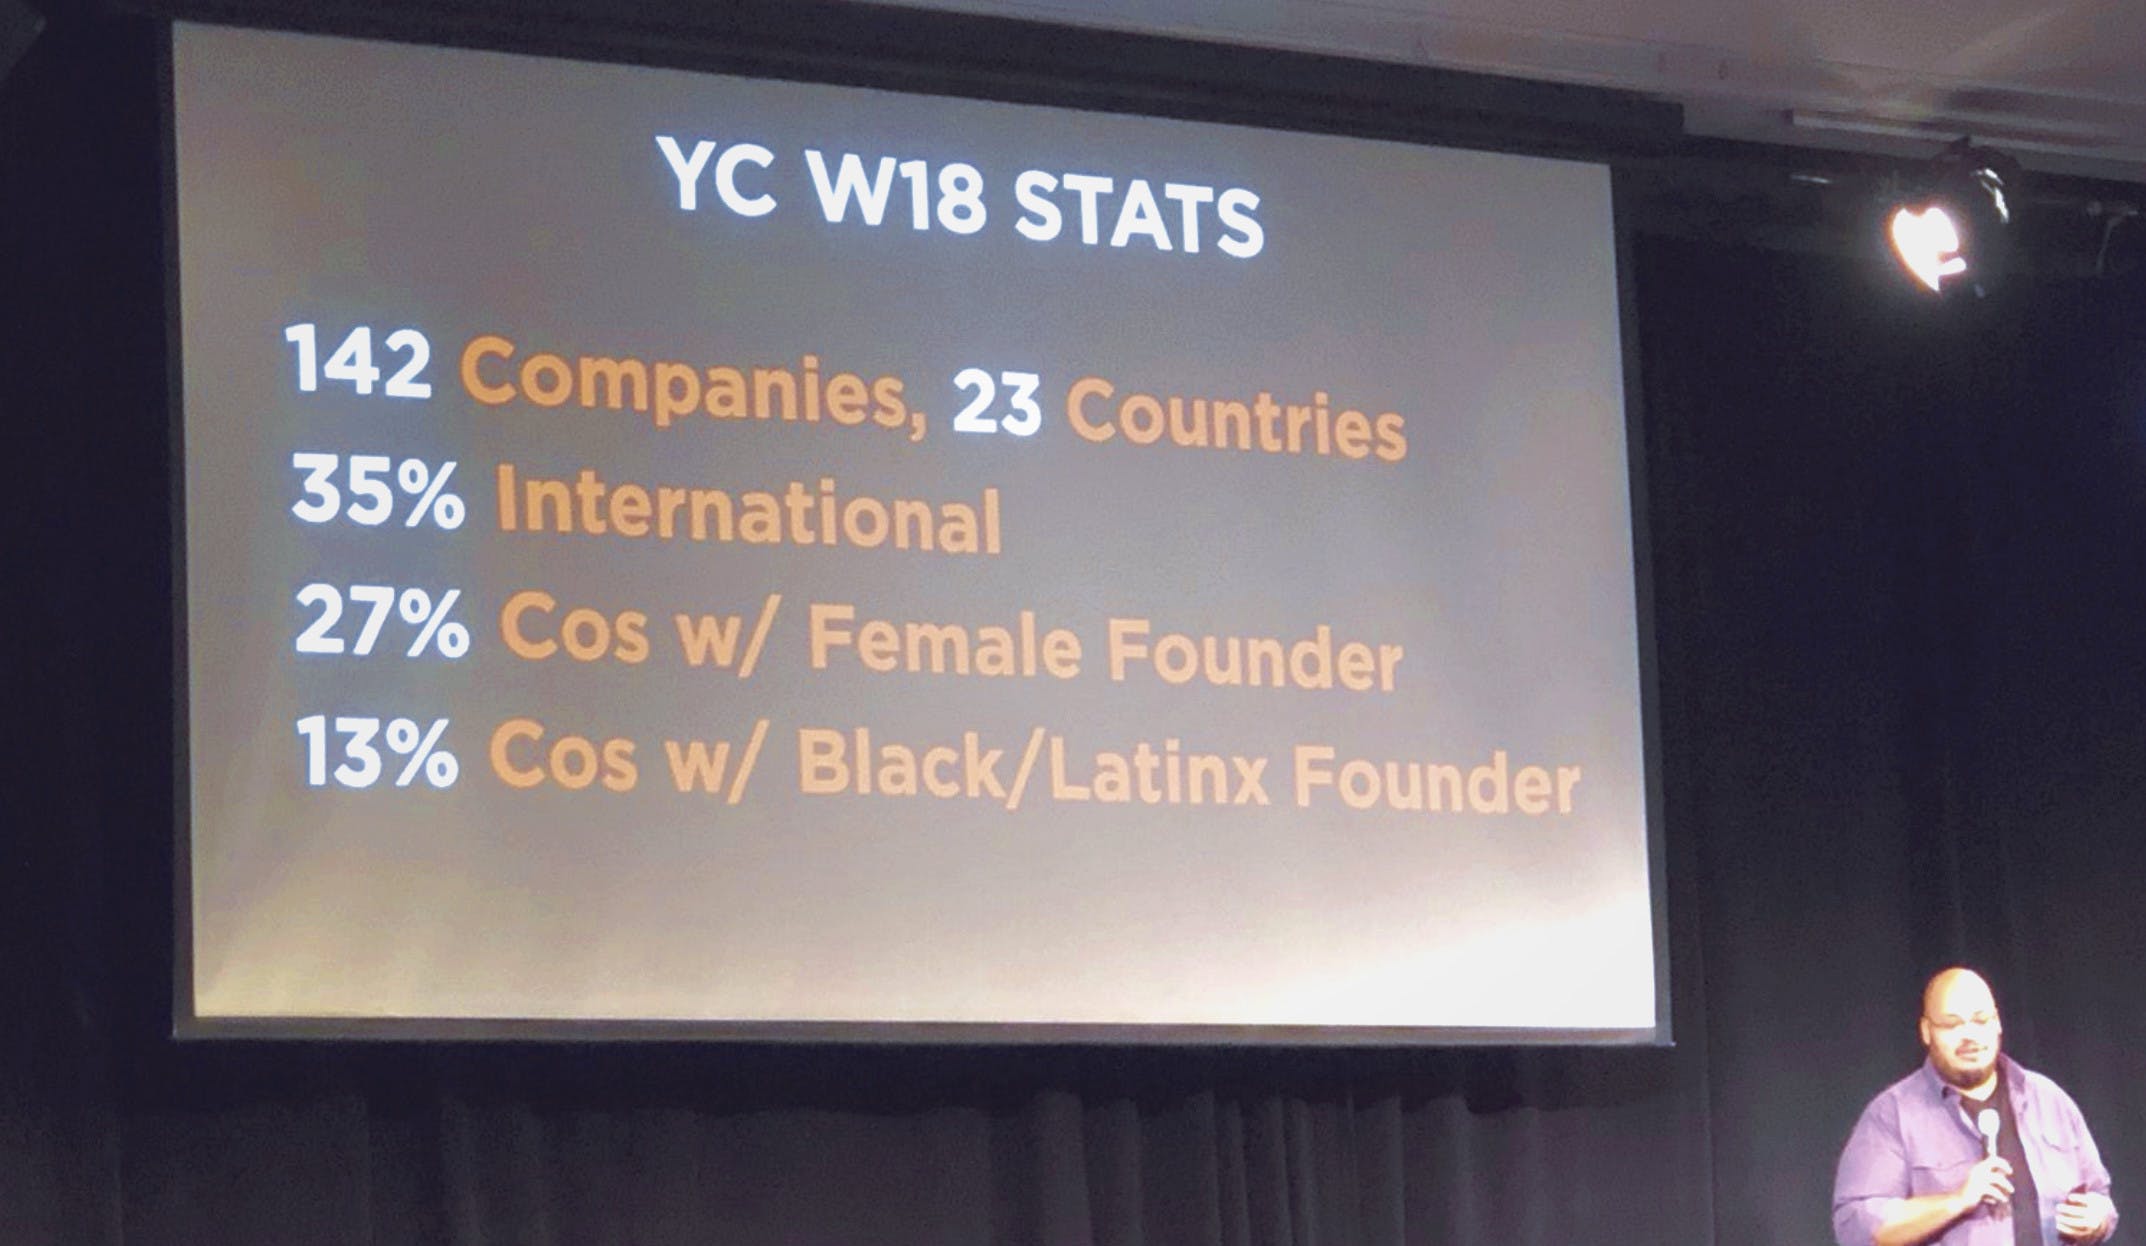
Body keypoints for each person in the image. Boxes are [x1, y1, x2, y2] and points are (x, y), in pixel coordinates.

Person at [1833, 968, 2118, 1246]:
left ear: (1997, 1023)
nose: (1969, 1035)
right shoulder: (1893, 1114)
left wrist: (2096, 1219)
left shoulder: (2049, 1100)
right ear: (1926, 1031)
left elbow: (2100, 1196)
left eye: (1980, 1020)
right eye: (1952, 1024)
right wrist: (1957, 1201)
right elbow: (1856, 1225)